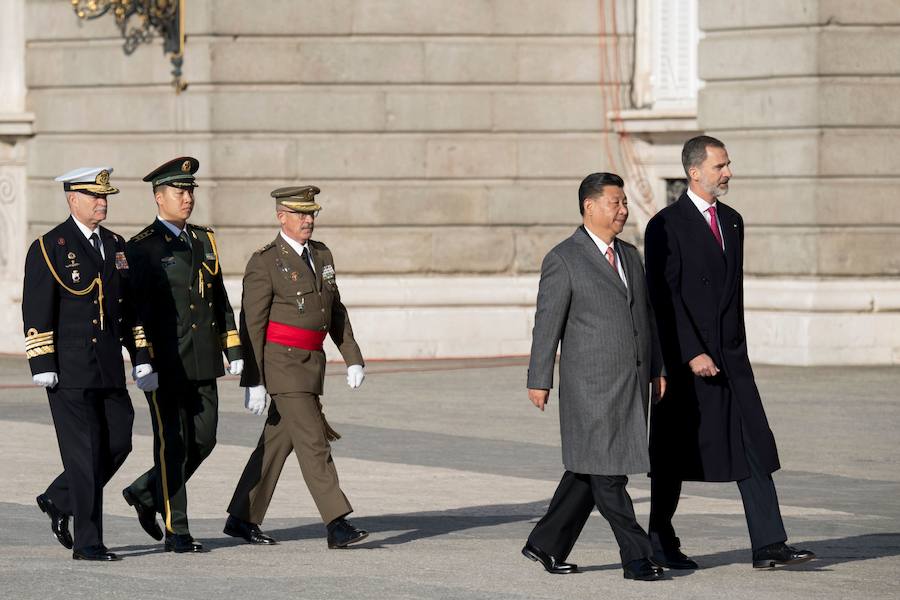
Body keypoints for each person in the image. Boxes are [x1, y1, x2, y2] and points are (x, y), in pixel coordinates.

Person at [644, 135, 815, 569]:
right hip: (688, 365)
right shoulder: (665, 224)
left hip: (732, 359)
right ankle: (659, 542)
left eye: (728, 164)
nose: (728, 172)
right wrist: (690, 353)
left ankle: (769, 545)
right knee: (673, 458)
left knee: (755, 444)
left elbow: (730, 295)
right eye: (720, 166)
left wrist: (732, 348)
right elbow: (663, 298)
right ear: (694, 171)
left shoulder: (734, 220)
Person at [523, 172, 666, 581]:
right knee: (608, 473)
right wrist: (539, 378)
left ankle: (544, 544)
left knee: (588, 468)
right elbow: (546, 323)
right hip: (590, 387)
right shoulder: (564, 258)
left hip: (631, 382)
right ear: (590, 206)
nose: (623, 210)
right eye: (615, 203)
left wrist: (658, 368)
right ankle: (638, 557)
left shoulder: (631, 255)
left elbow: (647, 319)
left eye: (624, 203)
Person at [224, 185, 368, 549]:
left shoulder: (322, 254)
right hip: (282, 365)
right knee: (313, 441)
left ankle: (242, 516)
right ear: (281, 216)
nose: (308, 220)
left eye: (312, 213)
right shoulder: (265, 261)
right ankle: (337, 523)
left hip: (310, 364)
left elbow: (335, 310)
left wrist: (352, 356)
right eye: (301, 214)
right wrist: (254, 380)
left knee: (276, 442)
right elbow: (252, 324)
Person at [23, 167, 151, 561]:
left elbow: (129, 308)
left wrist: (141, 355)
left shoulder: (115, 244)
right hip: (70, 368)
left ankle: (60, 499)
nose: (103, 202)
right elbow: (37, 307)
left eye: (106, 196)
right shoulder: (50, 246)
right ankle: (88, 543)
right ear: (71, 198)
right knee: (83, 454)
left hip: (108, 365)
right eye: (95, 196)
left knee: (118, 440)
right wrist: (41, 360)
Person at [122, 156, 244, 553]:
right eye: (179, 191)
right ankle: (178, 530)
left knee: (204, 440)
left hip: (202, 358)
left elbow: (218, 296)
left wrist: (232, 344)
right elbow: (133, 308)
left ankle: (145, 491)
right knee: (172, 443)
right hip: (165, 361)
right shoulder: (141, 248)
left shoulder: (204, 240)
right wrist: (142, 357)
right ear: (159, 198)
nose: (187, 197)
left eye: (191, 190)